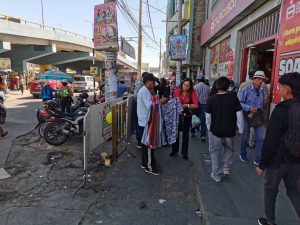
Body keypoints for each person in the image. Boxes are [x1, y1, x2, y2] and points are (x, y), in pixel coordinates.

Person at [256, 72, 300, 225]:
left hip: (278, 160)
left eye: (280, 87)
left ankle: (270, 222)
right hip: (297, 160)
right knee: (294, 190)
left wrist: (262, 164)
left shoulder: (281, 110)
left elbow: (271, 140)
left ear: (287, 89)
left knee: (270, 189)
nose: (278, 89)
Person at [206, 77, 243, 182]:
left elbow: (208, 116)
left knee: (215, 152)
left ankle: (216, 174)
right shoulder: (233, 98)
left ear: (216, 86)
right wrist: (240, 130)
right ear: (228, 86)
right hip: (229, 131)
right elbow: (239, 115)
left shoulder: (211, 99)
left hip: (215, 131)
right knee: (229, 149)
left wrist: (209, 128)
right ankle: (226, 167)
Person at [239, 71, 267, 165]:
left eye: (262, 79)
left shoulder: (262, 90)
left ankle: (258, 158)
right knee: (245, 136)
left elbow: (262, 103)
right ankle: (243, 154)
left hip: (258, 115)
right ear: (253, 79)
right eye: (258, 79)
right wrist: (249, 108)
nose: (260, 81)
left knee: (260, 137)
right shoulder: (245, 89)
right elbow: (239, 102)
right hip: (247, 114)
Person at [170, 78, 199, 160]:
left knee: (185, 135)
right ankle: (174, 150)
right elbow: (173, 102)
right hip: (177, 116)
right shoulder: (177, 91)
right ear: (182, 84)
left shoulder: (192, 92)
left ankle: (184, 153)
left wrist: (186, 105)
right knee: (176, 134)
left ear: (190, 86)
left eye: (188, 85)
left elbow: (196, 105)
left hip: (187, 116)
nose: (186, 87)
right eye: (184, 85)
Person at [137, 73, 159, 175]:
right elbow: (151, 106)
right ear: (148, 82)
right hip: (146, 121)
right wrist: (160, 101)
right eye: (153, 82)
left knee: (145, 145)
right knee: (148, 145)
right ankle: (149, 166)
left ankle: (144, 163)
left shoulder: (146, 90)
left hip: (144, 120)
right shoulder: (145, 91)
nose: (154, 84)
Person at [193, 75, 210, 141]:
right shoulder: (208, 87)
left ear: (197, 80)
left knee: (194, 118)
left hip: (196, 105)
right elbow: (209, 96)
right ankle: (203, 136)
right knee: (204, 121)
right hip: (205, 105)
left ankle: (192, 132)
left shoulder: (195, 87)